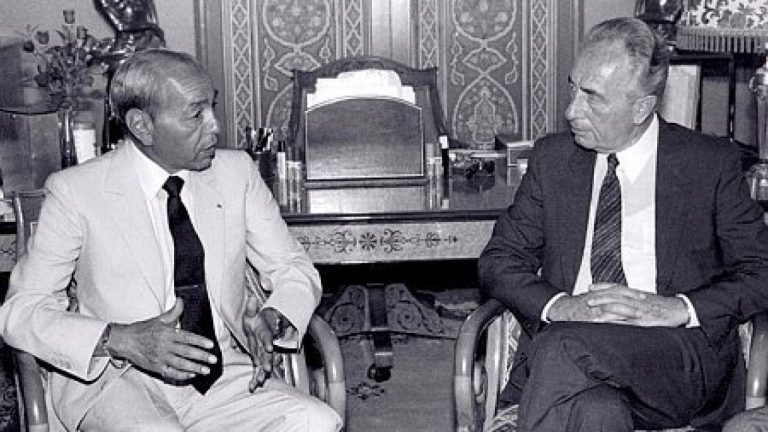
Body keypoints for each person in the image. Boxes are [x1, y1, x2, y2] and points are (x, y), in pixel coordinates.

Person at [0, 48, 342, 431]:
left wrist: (273, 318)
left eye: (212, 108)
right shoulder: (76, 192)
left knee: (316, 420)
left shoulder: (236, 174)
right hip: (115, 378)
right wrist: (120, 339)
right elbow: (20, 311)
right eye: (196, 115)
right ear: (142, 126)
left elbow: (292, 267)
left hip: (220, 373)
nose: (215, 126)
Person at [478, 17, 768, 431]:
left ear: (641, 109)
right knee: (594, 409)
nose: (571, 111)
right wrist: (561, 305)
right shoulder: (553, 159)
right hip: (575, 357)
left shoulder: (708, 164)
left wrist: (678, 308)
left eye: (592, 98)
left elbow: (761, 271)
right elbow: (499, 260)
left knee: (561, 346)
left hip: (674, 359)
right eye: (573, 88)